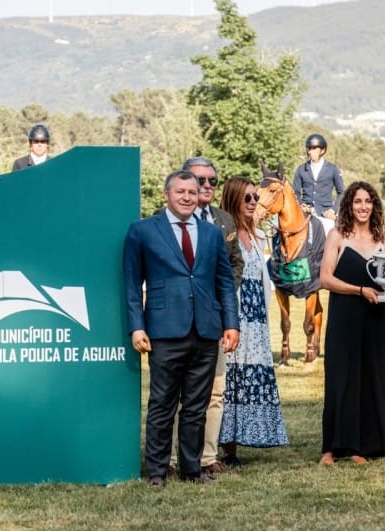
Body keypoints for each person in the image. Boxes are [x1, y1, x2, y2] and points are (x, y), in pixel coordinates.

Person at [123, 170, 240, 487]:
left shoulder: (212, 233)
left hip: (206, 330)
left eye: (192, 191)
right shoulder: (142, 231)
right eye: (181, 192)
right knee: (162, 404)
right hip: (163, 330)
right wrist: (137, 327)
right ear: (166, 194)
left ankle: (192, 469)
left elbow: (224, 283)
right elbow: (132, 286)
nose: (188, 197)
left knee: (196, 406)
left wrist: (231, 323)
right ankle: (158, 472)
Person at [170, 156, 244, 475]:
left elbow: (235, 265)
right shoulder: (165, 220)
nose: (208, 186)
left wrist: (220, 303)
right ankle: (171, 460)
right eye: (201, 180)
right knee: (176, 393)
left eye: (213, 180)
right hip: (176, 321)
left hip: (213, 320)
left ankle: (208, 456)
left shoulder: (224, 220)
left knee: (215, 391)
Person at [319, 181, 385, 464]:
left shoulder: (384, 241)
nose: (363, 207)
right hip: (344, 316)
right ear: (349, 206)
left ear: (375, 206)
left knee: (370, 378)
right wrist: (359, 290)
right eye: (357, 202)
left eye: (368, 202)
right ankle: (330, 448)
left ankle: (360, 447)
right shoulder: (337, 236)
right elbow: (325, 279)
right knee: (340, 377)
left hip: (375, 319)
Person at [217, 177, 289, 465]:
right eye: (247, 198)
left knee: (249, 380)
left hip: (257, 321)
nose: (252, 203)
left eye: (254, 198)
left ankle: (244, 438)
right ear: (234, 199)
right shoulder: (223, 233)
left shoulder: (258, 236)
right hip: (234, 316)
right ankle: (223, 446)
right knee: (229, 380)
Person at [293, 133, 344, 227]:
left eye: (314, 148)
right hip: (305, 214)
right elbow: (295, 192)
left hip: (325, 215)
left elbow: (342, 192)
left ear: (323, 150)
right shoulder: (301, 169)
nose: (310, 152)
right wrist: (301, 204)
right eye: (309, 148)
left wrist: (333, 210)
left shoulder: (333, 169)